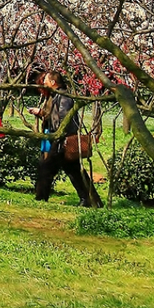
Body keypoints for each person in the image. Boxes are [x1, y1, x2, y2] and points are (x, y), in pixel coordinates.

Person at [32, 72, 101, 207]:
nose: (44, 83)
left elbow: (64, 120)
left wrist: (57, 135)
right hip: (60, 140)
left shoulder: (64, 97)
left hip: (62, 141)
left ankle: (41, 198)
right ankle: (92, 200)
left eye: (46, 80)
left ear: (53, 82)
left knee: (46, 168)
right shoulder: (57, 96)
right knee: (75, 172)